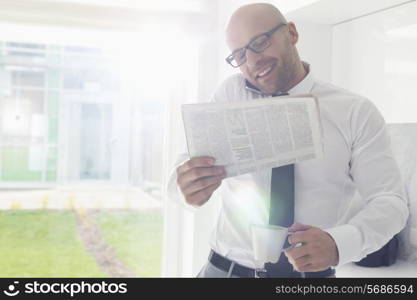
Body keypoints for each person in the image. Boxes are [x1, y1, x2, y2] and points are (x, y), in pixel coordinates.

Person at [167, 3, 409, 278]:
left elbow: (391, 202)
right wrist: (185, 185)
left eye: (260, 42)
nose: (252, 61)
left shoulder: (355, 112)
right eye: (239, 55)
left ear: (291, 33)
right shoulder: (231, 94)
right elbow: (181, 174)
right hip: (223, 272)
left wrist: (339, 243)